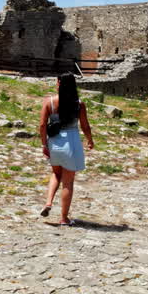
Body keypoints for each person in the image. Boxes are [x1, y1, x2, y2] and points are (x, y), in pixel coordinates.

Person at [39, 72, 94, 226]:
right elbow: (85, 125)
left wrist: (44, 144)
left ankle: (48, 202)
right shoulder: (79, 104)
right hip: (72, 141)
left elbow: (43, 125)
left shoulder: (49, 102)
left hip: (55, 141)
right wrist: (90, 140)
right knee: (68, 182)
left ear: (59, 84)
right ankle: (64, 218)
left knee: (56, 173)